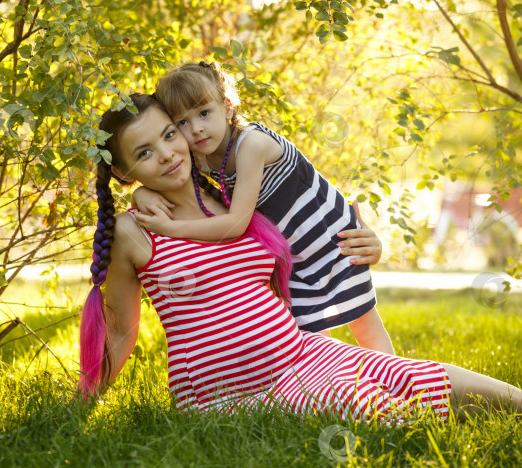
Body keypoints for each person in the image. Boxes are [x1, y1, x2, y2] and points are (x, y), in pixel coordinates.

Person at [78, 93, 522, 428]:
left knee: (408, 374)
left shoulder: (234, 195)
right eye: (144, 152)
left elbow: (316, 207)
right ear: (125, 174)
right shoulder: (135, 229)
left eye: (169, 134)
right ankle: (450, 423)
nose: (168, 152)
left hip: (298, 354)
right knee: (371, 408)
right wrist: (86, 400)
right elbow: (123, 332)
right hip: (228, 394)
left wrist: (368, 237)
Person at [132, 62, 394, 354]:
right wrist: (141, 193)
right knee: (312, 333)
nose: (196, 129)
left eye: (204, 113)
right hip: (294, 252)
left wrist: (171, 229)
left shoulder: (252, 145)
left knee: (363, 321)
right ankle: (333, 387)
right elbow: (166, 176)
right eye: (183, 122)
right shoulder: (202, 155)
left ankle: (397, 381)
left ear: (227, 107)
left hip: (331, 238)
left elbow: (235, 224)